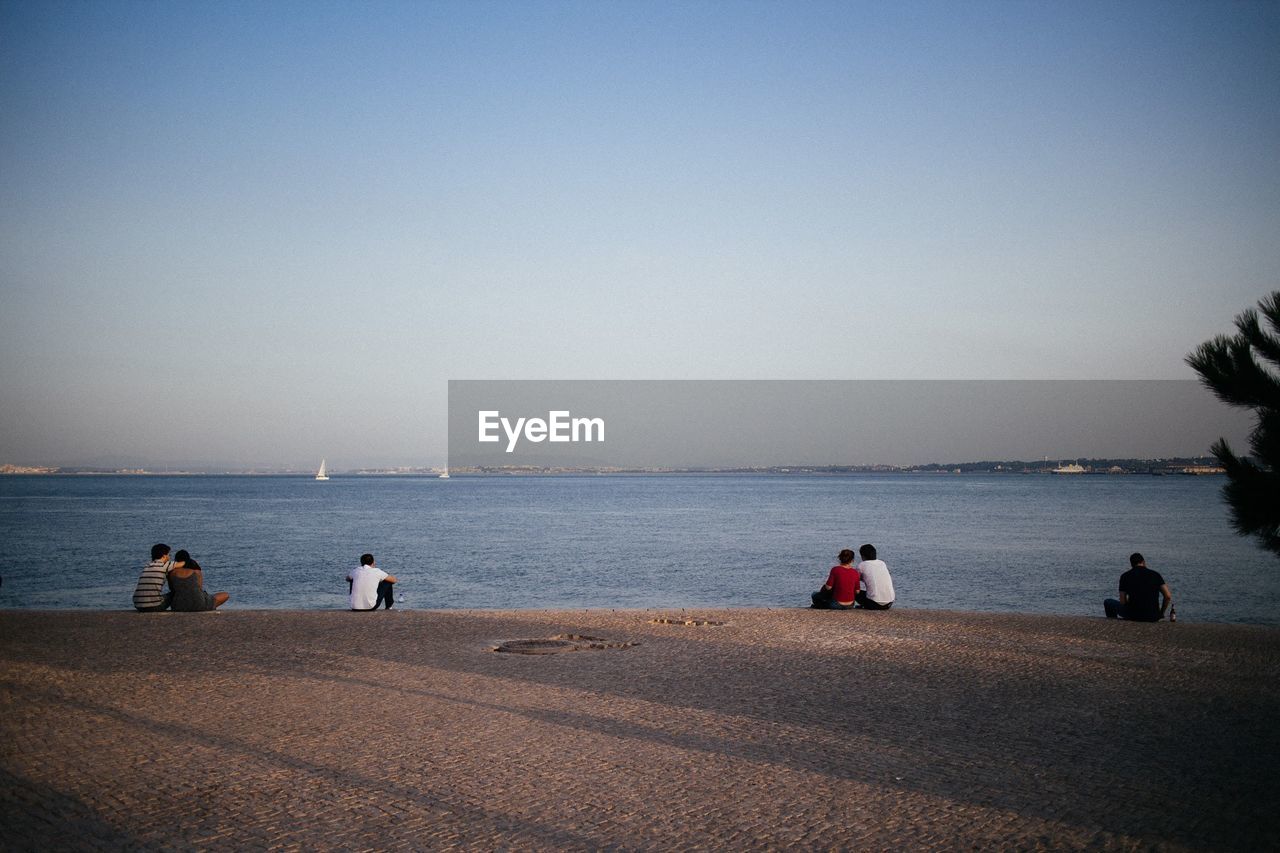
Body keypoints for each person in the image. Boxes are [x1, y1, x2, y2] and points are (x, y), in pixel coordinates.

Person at [1104, 553, 1171, 622]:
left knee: (1108, 602)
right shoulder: (1155, 575)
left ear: (1131, 564)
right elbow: (1168, 596)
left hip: (1133, 615)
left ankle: (1113, 624)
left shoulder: (1125, 576)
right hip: (1153, 616)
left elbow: (1122, 601)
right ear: (1143, 562)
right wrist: (1161, 613)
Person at [133, 543, 173, 612]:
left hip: (138, 605)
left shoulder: (147, 566)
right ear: (164, 556)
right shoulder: (165, 565)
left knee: (162, 596)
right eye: (168, 555)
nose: (169, 557)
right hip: (155, 607)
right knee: (173, 594)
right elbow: (182, 563)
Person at [854, 544, 895, 610]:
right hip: (889, 603)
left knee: (853, 590)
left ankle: (849, 604)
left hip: (873, 603)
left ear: (862, 556)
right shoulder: (882, 563)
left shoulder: (862, 565)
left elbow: (854, 580)